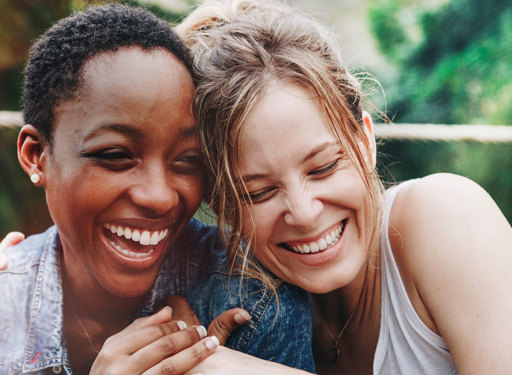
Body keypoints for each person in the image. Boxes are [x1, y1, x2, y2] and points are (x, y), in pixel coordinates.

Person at [171, 0, 512, 373]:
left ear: (365, 140)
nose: (305, 213)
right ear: (219, 205)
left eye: (323, 167)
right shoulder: (250, 313)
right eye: (258, 192)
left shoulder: (445, 213)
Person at [0, 4, 314, 374]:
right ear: (37, 155)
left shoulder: (254, 302)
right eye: (116, 155)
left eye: (188, 160)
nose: (160, 196)